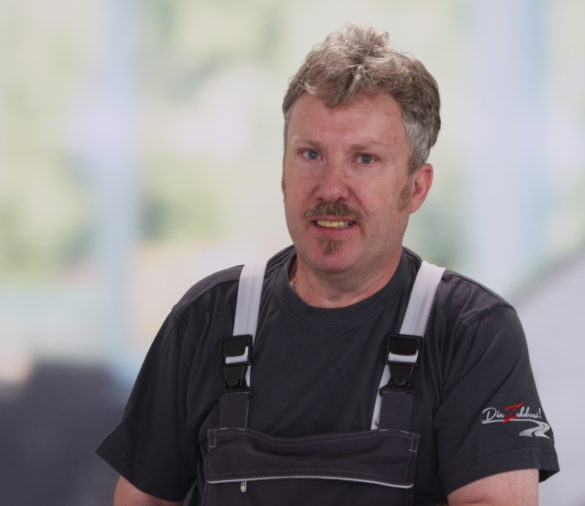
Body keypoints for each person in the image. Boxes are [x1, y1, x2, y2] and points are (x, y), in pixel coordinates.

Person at [97, 24, 559, 506]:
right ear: (283, 171)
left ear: (416, 188)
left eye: (364, 159)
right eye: (311, 154)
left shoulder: (471, 332)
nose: (332, 188)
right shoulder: (207, 318)